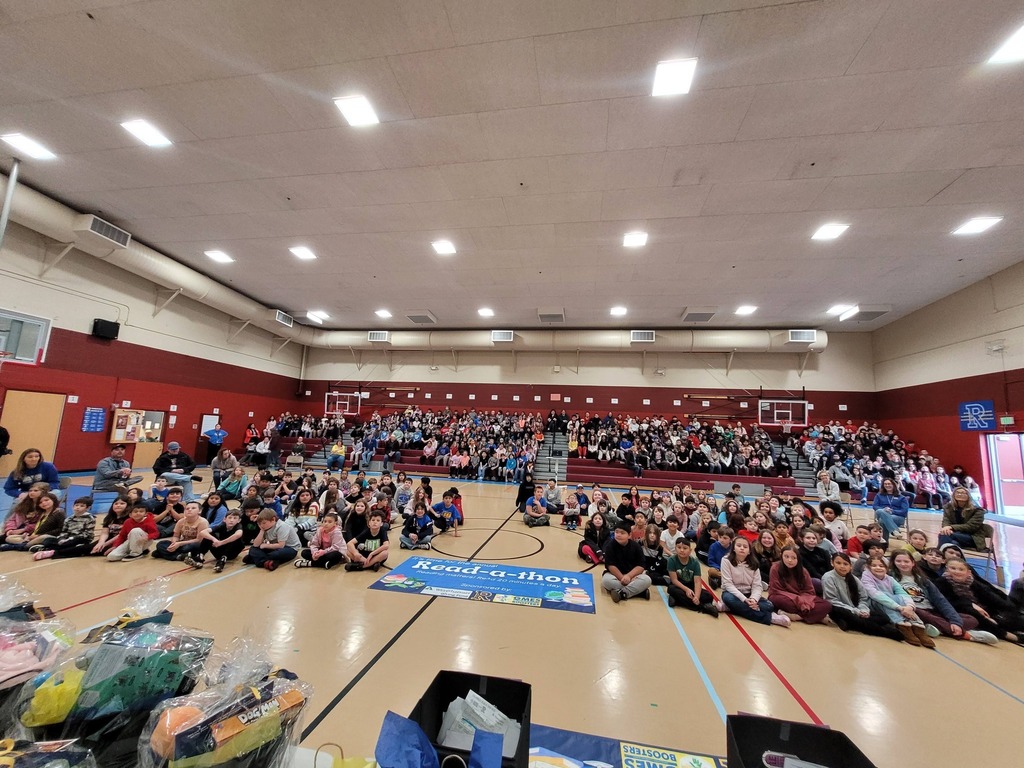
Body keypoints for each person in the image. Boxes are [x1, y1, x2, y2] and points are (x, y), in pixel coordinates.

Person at [888, 551, 996, 644]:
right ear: (893, 562)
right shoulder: (889, 578)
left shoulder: (923, 580)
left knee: (972, 619)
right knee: (921, 614)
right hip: (913, 610)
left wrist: (955, 622)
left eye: (906, 561)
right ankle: (967, 635)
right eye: (899, 561)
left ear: (912, 563)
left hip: (931, 610)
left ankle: (937, 628)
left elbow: (940, 600)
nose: (902, 564)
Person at [935, 557, 1022, 643]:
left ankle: (1002, 624)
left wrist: (1009, 610)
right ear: (946, 569)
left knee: (1012, 617)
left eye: (961, 569)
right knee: (971, 612)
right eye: (953, 568)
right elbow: (951, 601)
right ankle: (1005, 634)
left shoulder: (973, 583)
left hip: (986, 611)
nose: (957, 571)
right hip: (963, 611)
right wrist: (971, 604)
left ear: (968, 572)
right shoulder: (941, 582)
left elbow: (992, 598)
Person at [821, 553, 902, 641]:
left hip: (857, 608)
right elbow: (832, 600)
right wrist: (856, 612)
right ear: (832, 563)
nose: (842, 566)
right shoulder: (828, 577)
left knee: (884, 618)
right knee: (853, 618)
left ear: (850, 566)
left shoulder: (854, 579)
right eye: (838, 563)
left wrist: (863, 609)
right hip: (840, 608)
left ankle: (850, 623)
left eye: (845, 564)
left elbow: (863, 597)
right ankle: (884, 632)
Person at [860, 556, 935, 647]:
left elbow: (903, 593)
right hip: (875, 604)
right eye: (874, 565)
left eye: (881, 566)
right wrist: (899, 607)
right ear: (868, 567)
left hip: (894, 604)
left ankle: (917, 626)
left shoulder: (890, 579)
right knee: (886, 596)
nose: (878, 568)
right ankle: (902, 625)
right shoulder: (866, 577)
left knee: (900, 597)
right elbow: (875, 595)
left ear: (886, 568)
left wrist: (909, 607)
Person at [721, 537, 790, 627]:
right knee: (728, 599)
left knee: (769, 606)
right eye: (739, 545)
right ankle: (770, 618)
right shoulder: (726, 560)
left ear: (749, 551)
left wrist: (754, 599)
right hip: (732, 594)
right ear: (733, 548)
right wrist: (745, 600)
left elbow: (757, 586)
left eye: (745, 547)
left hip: (749, 593)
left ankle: (731, 607)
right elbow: (728, 584)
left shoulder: (754, 563)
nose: (742, 548)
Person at [768, 546, 833, 624]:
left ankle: (797, 617)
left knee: (827, 605)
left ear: (798, 559)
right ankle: (817, 617)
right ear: (781, 556)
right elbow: (776, 589)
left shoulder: (803, 571)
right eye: (786, 556)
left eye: (793, 558)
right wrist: (797, 599)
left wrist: (802, 600)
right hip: (783, 596)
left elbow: (809, 591)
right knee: (780, 601)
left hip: (802, 598)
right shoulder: (775, 568)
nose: (790, 560)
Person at [666, 538, 722, 617]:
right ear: (675, 548)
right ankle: (703, 607)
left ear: (690, 550)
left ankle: (678, 601)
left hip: (691, 585)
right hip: (679, 586)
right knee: (671, 589)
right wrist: (686, 589)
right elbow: (674, 580)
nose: (681, 550)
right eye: (679, 547)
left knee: (708, 596)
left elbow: (697, 582)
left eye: (685, 548)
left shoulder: (694, 562)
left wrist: (697, 596)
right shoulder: (671, 560)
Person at [601, 519, 653, 603]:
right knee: (606, 581)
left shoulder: (636, 546)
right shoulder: (610, 546)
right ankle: (639, 592)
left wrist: (629, 576)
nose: (618, 535)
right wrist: (622, 578)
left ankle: (622, 593)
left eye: (622, 533)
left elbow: (641, 566)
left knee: (647, 580)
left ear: (629, 535)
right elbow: (610, 565)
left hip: (632, 576)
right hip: (616, 576)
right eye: (616, 532)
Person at [31, 495, 96, 560]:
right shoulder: (69, 519)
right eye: (76, 505)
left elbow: (87, 534)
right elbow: (64, 531)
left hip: (81, 538)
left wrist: (70, 539)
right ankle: (48, 548)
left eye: (82, 506)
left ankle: (50, 550)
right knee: (48, 540)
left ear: (87, 508)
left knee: (71, 543)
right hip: (67, 538)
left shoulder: (90, 519)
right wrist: (61, 539)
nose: (78, 507)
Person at [3, 449, 60, 514]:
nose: (34, 459)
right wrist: (20, 494)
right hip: (28, 494)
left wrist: (41, 492)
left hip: (46, 492)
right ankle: (7, 522)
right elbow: (9, 489)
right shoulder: (16, 472)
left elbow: (55, 482)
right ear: (23, 459)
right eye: (30, 457)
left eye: (37, 456)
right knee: (17, 501)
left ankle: (48, 515)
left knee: (57, 492)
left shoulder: (49, 467)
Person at [939, 486, 989, 550]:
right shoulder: (948, 507)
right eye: (957, 492)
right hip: (954, 534)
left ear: (968, 496)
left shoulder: (978, 510)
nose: (960, 494)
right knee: (948, 538)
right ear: (953, 495)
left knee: (946, 536)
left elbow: (971, 527)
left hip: (973, 537)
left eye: (963, 493)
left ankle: (939, 555)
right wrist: (946, 528)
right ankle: (944, 555)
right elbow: (946, 521)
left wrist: (951, 527)